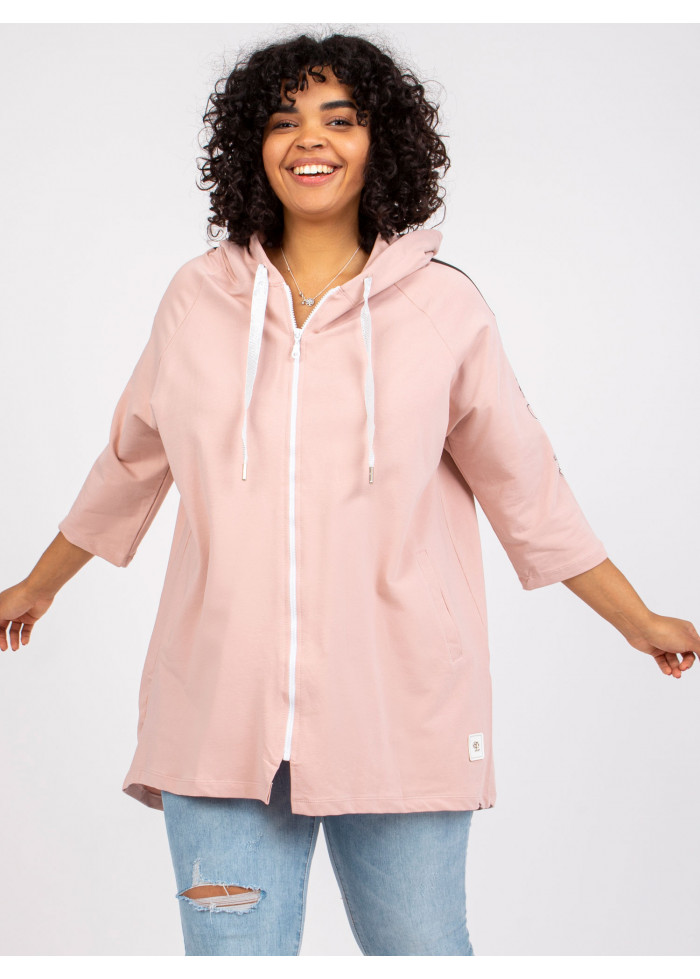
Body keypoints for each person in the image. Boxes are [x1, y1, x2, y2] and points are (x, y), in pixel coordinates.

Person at [1, 30, 697, 957]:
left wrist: (636, 618)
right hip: (220, 713)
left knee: (423, 955)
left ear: (380, 143)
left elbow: (526, 485)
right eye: (283, 120)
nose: (310, 140)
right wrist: (38, 584)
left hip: (401, 710)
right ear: (252, 145)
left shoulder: (442, 307)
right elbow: (131, 460)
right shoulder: (197, 299)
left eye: (340, 119)